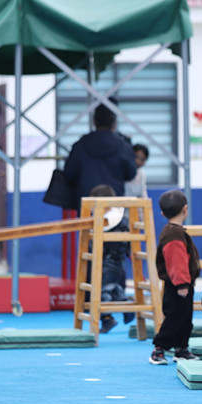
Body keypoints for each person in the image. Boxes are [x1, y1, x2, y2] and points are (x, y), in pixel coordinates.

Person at [150, 190, 200, 365]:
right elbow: (177, 262)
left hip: (182, 283)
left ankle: (181, 348)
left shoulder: (174, 232)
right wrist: (182, 284)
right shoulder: (174, 235)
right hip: (177, 285)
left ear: (162, 213)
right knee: (174, 318)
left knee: (185, 318)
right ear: (185, 209)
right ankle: (159, 348)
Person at [64, 100, 136, 211]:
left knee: (87, 223)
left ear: (94, 121)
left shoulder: (80, 145)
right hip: (114, 204)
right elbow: (131, 173)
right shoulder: (123, 146)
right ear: (114, 123)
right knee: (114, 222)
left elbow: (69, 174)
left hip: (86, 204)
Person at [85, 184, 133, 334]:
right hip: (115, 262)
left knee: (103, 291)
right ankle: (125, 308)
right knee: (114, 289)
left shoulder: (110, 221)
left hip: (109, 262)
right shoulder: (120, 219)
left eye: (95, 206)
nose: (93, 209)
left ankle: (110, 317)